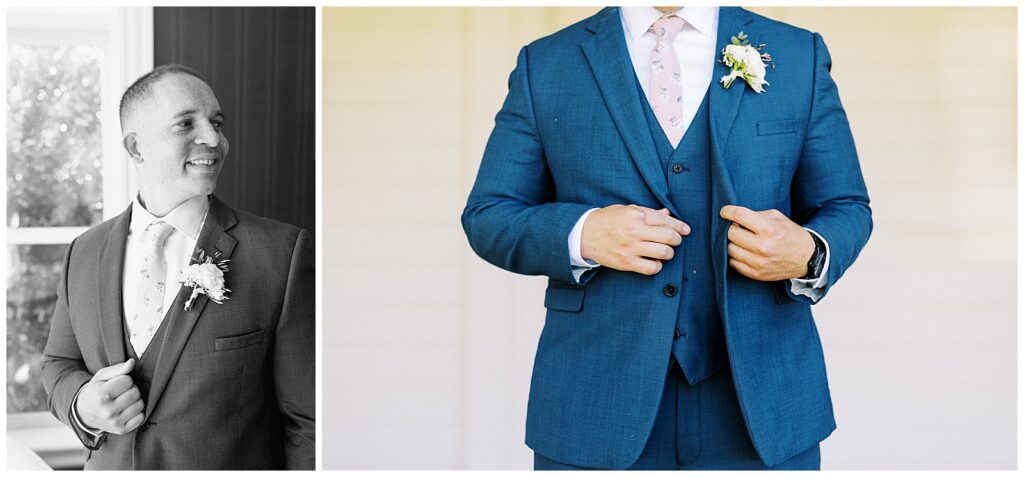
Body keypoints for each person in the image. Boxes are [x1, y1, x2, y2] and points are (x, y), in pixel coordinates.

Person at [462, 6, 871, 470]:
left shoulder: (799, 53)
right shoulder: (547, 62)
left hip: (764, 402)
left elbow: (846, 206)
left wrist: (809, 253)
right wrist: (583, 234)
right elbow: (489, 215)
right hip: (594, 402)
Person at [41, 64, 315, 470]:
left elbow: (308, 423)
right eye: (186, 123)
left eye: (217, 122)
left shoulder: (281, 253)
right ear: (136, 148)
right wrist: (82, 405)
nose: (215, 139)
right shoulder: (84, 251)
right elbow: (57, 366)